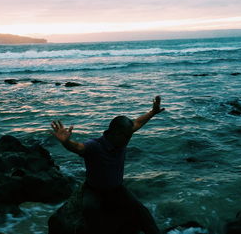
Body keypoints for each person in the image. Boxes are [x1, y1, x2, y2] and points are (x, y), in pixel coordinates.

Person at [50, 96, 165, 234]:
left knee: (141, 211)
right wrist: (66, 142)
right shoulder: (95, 146)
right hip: (94, 190)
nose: (129, 139)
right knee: (91, 213)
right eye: (126, 136)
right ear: (115, 133)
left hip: (117, 188)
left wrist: (152, 112)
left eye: (129, 135)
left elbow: (137, 123)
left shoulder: (124, 135)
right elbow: (79, 148)